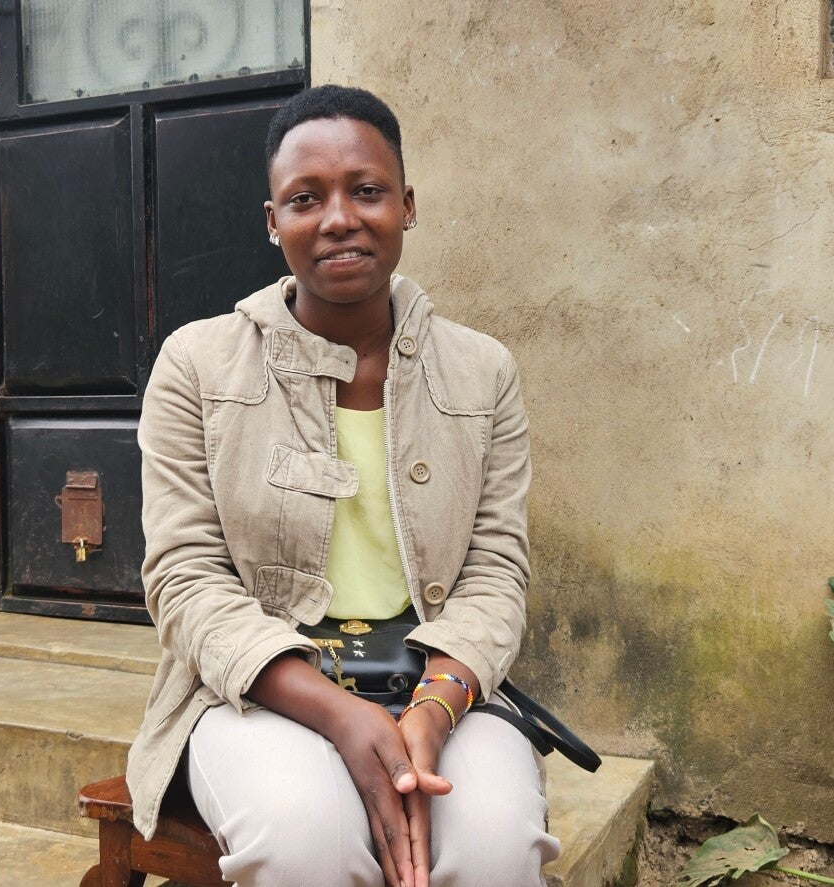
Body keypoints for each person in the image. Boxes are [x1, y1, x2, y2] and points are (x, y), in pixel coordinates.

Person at [124, 84, 560, 887]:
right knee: (307, 843)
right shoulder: (198, 365)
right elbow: (184, 577)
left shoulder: (482, 371)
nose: (338, 218)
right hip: (257, 692)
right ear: (272, 221)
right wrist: (339, 712)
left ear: (407, 205)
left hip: (441, 684)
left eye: (366, 190)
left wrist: (434, 708)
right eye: (305, 199)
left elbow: (497, 570)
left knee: (495, 846)